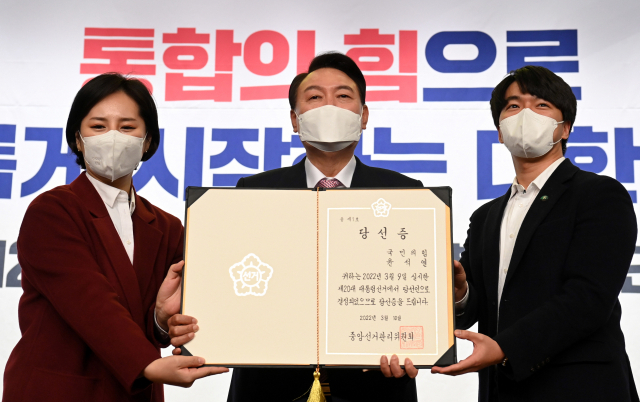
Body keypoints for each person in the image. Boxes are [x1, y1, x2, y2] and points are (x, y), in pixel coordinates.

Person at [169, 52, 422, 401]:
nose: (329, 107)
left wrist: (443, 310)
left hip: (377, 387)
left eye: (343, 96)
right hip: (267, 389)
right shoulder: (252, 192)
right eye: (315, 97)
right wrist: (193, 321)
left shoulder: (407, 194)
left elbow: (417, 298)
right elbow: (225, 288)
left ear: (364, 116)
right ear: (295, 119)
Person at [2, 73, 227, 402]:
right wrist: (148, 364)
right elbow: (88, 301)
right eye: (98, 126)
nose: (112, 137)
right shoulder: (52, 211)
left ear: (147, 141)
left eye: (127, 127)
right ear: (78, 139)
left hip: (135, 393)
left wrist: (161, 319)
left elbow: (154, 321)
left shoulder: (168, 227)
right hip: (60, 390)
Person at [431, 66, 639, 402]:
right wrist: (461, 293)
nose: (525, 114)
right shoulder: (485, 216)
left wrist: (505, 347)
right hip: (502, 390)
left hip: (580, 387)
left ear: (565, 128)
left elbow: (589, 298)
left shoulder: (599, 195)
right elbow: (473, 309)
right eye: (513, 106)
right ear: (500, 131)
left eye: (541, 105)